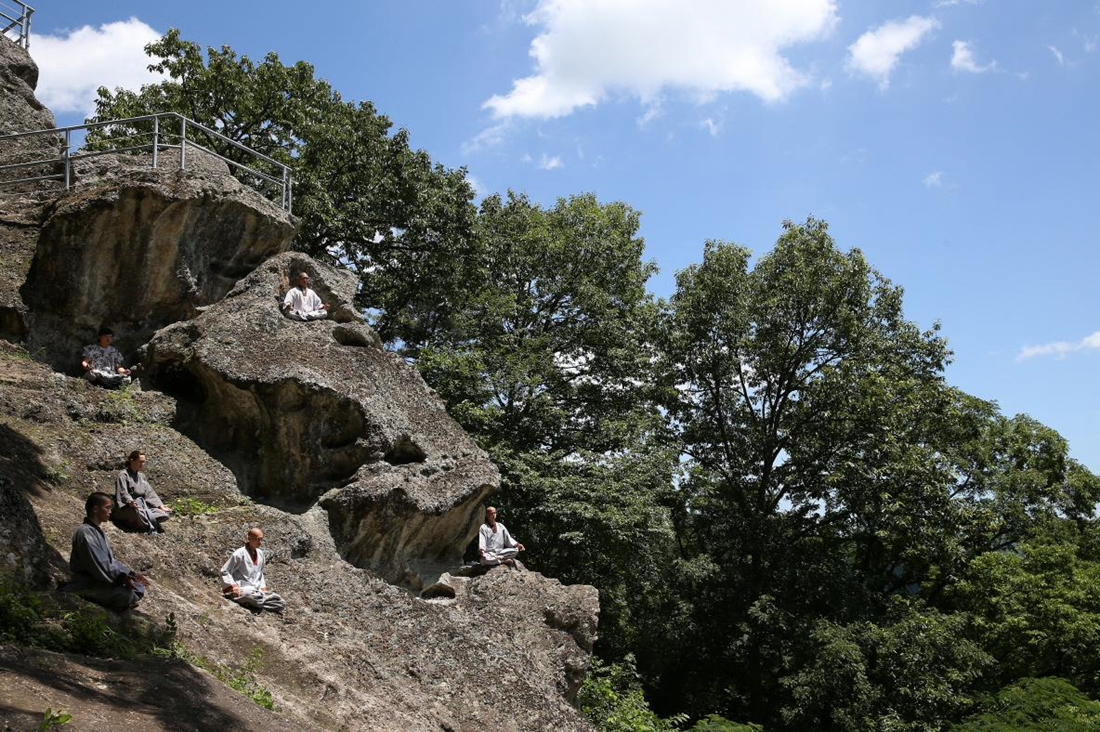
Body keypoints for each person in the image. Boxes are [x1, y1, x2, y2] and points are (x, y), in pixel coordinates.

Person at [63, 492, 150, 611]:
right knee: (126, 594)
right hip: (87, 583)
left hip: (99, 582)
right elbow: (100, 563)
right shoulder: (85, 532)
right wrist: (122, 578)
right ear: (95, 509)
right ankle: (85, 595)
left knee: (138, 586)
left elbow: (111, 562)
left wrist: (131, 574)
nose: (110, 512)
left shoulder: (97, 532)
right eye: (107, 508)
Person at [220, 527, 286, 613]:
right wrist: (233, 587)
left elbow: (260, 573)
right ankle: (249, 600)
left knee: (280, 602)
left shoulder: (261, 554)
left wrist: (263, 588)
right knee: (250, 595)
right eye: (257, 539)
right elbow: (225, 570)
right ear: (249, 538)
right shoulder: (239, 554)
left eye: (261, 539)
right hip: (243, 589)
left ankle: (252, 602)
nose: (260, 542)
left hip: (256, 591)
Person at [113, 450, 171, 534]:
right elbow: (123, 492)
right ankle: (143, 522)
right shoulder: (123, 475)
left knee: (164, 514)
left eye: (143, 462)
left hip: (142, 508)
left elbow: (150, 493)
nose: (142, 464)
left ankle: (144, 521)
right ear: (132, 461)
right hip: (129, 508)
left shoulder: (141, 476)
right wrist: (130, 501)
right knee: (136, 513)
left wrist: (160, 506)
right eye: (140, 462)